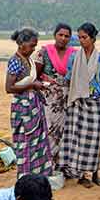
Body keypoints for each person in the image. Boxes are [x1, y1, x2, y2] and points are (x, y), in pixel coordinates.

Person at [59, 22, 100, 188]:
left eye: (84, 37)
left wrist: (89, 89)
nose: (81, 40)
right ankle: (81, 175)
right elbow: (69, 77)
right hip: (77, 101)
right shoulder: (74, 57)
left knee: (94, 138)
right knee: (78, 138)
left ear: (93, 38)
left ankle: (94, 173)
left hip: (94, 102)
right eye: (79, 37)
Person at [6, 28, 52, 178]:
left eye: (35, 46)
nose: (33, 49)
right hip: (22, 108)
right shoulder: (15, 61)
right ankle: (25, 176)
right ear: (21, 44)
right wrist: (32, 86)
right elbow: (9, 88)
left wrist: (39, 83)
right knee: (24, 142)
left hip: (34, 105)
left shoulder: (28, 60)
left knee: (38, 141)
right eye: (31, 45)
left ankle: (37, 176)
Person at [35, 23, 77, 167]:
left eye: (67, 36)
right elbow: (36, 75)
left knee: (66, 132)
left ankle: (61, 165)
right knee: (50, 129)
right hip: (49, 100)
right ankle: (48, 163)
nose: (63, 38)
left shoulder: (74, 54)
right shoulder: (44, 52)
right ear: (55, 35)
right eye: (61, 35)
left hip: (68, 99)